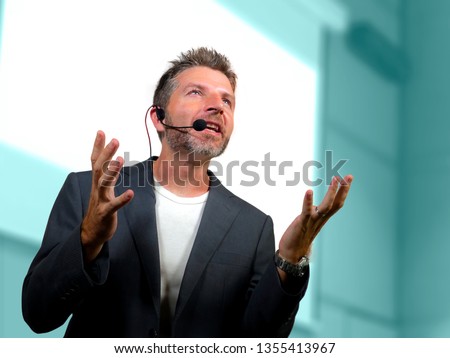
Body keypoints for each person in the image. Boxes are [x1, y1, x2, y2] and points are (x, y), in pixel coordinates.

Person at [22, 47, 353, 338]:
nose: (217, 107)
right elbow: (38, 314)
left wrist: (290, 260)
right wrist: (88, 239)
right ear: (159, 118)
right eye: (197, 93)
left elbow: (259, 339)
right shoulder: (85, 192)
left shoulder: (253, 228)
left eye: (227, 100)